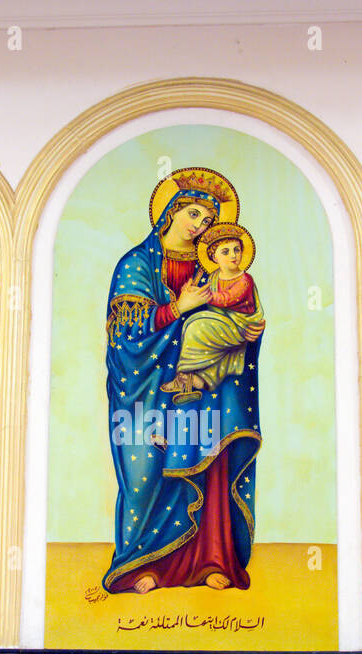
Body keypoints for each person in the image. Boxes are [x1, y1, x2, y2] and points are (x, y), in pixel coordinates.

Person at [102, 169, 264, 594]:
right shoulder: (136, 264)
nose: (199, 227)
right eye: (194, 214)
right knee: (147, 472)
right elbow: (124, 334)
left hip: (204, 392)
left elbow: (236, 313)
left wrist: (243, 331)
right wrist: (178, 309)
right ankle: (142, 566)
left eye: (207, 222)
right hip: (147, 387)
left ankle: (212, 560)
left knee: (207, 466)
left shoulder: (212, 266)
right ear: (172, 210)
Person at [160, 223, 262, 400]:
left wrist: (203, 296)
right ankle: (192, 380)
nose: (233, 255)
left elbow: (226, 299)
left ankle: (183, 375)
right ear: (214, 257)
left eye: (237, 250)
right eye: (226, 252)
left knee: (196, 326)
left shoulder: (244, 280)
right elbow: (208, 294)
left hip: (240, 326)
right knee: (191, 324)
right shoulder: (214, 277)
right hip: (222, 323)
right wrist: (190, 290)